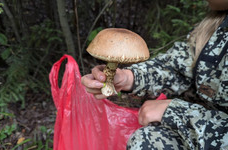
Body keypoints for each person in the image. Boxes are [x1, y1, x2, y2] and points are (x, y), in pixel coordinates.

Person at [81, 0, 228, 149]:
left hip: (210, 135)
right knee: (146, 140)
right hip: (199, 134)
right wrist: (129, 78)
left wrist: (177, 113)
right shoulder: (215, 27)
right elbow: (176, 68)